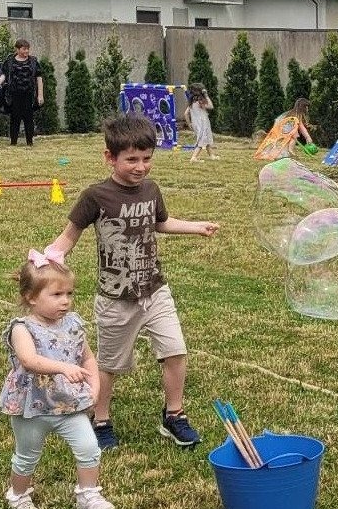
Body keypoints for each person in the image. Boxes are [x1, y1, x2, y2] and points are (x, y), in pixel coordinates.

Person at [46, 114, 221, 451]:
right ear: (110, 158)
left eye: (147, 158)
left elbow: (162, 223)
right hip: (116, 297)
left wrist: (196, 226)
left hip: (155, 290)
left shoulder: (151, 190)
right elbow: (69, 236)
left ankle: (174, 415)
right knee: (109, 366)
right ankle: (101, 420)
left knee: (175, 350)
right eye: (132, 160)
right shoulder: (96, 196)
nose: (141, 166)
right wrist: (52, 255)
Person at [0, 249, 114, 509]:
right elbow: (29, 360)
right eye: (57, 295)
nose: (65, 302)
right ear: (31, 297)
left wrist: (94, 390)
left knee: (89, 448)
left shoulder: (72, 324)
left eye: (69, 294)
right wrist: (63, 367)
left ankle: (88, 496)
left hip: (68, 404)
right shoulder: (22, 328)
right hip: (31, 407)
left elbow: (88, 359)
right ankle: (18, 496)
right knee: (27, 457)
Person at [3, 39, 44, 147]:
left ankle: (30, 142)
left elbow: (39, 78)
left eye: (28, 49)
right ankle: (13, 142)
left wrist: (40, 95)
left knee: (29, 118)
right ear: (17, 49)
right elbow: (4, 76)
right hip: (14, 95)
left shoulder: (33, 61)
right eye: (24, 49)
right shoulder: (10, 61)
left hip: (29, 94)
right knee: (14, 118)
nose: (26, 51)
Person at [186, 83, 215, 161]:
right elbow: (211, 106)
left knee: (207, 139)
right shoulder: (200, 101)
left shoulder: (191, 103)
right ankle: (194, 157)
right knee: (201, 141)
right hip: (203, 124)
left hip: (196, 124)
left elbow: (185, 113)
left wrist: (189, 124)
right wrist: (206, 96)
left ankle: (211, 155)